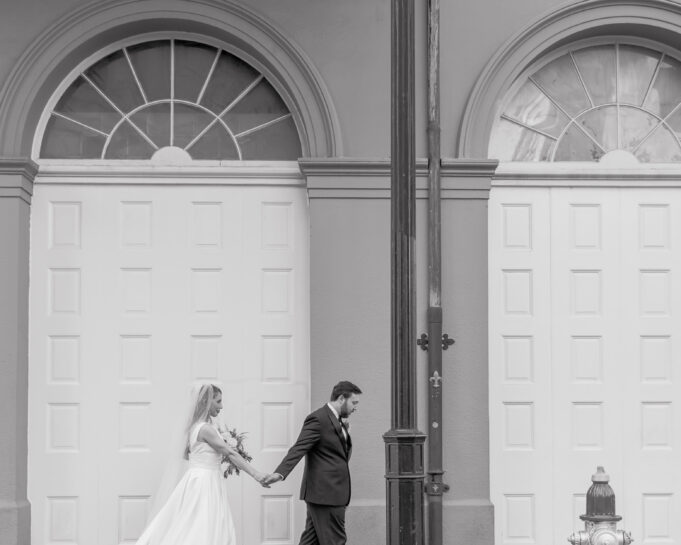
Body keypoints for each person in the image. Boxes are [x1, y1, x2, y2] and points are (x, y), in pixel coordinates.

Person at [136, 383, 269, 545]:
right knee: (202, 525)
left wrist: (209, 458)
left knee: (191, 523)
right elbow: (231, 453)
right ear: (207, 401)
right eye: (218, 401)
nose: (222, 406)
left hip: (197, 478)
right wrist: (256, 474)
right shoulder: (206, 429)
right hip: (205, 482)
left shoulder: (194, 427)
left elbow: (187, 454)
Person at [263, 380, 362, 545]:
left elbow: (340, 456)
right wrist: (279, 473)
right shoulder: (318, 418)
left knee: (311, 541)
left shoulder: (339, 420)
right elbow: (299, 448)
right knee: (335, 541)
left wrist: (345, 432)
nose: (355, 407)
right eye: (353, 402)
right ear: (341, 399)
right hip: (326, 494)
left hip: (327, 494)